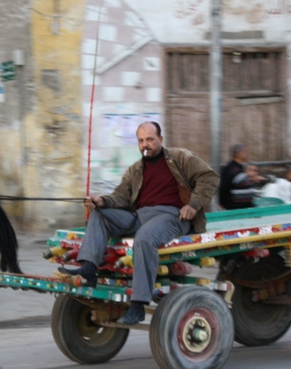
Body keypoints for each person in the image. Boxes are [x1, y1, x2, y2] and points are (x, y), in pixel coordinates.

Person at [58, 122, 219, 325]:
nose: (146, 145)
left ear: (160, 139)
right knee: (100, 214)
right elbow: (121, 197)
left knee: (144, 237)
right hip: (139, 215)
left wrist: (194, 205)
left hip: (172, 216)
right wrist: (103, 201)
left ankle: (138, 304)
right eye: (141, 141)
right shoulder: (135, 170)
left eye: (150, 139)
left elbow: (209, 177)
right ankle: (88, 269)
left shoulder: (180, 158)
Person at [219, 144, 269, 210]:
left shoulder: (241, 167)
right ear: (238, 153)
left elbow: (240, 181)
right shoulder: (230, 168)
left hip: (246, 206)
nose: (246, 153)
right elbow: (224, 187)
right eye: (244, 151)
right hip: (235, 207)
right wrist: (223, 203)